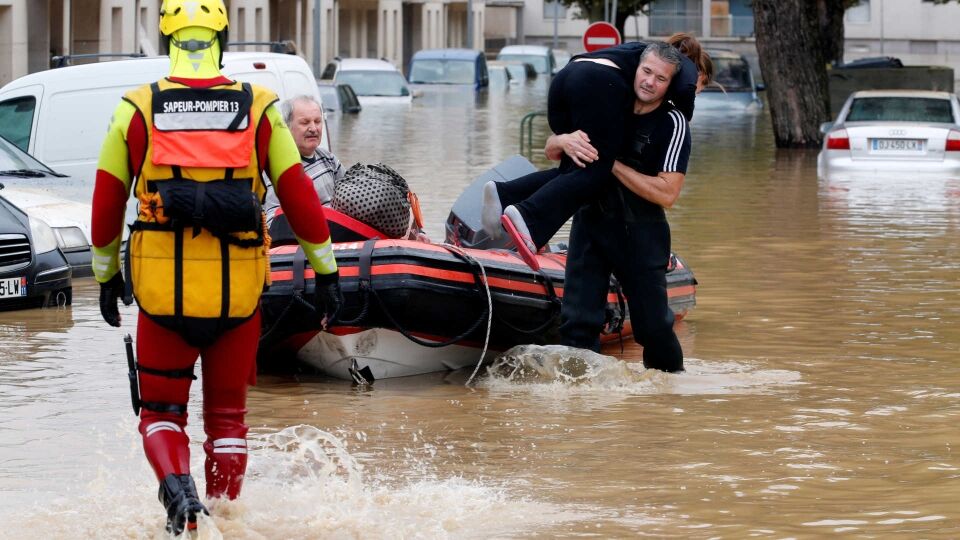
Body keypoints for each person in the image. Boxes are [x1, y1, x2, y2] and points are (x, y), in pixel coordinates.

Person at [90, 0, 341, 534]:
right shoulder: (261, 108)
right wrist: (327, 271)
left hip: (163, 296)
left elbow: (107, 199)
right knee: (228, 421)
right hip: (237, 295)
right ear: (223, 38)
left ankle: (179, 498)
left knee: (160, 414)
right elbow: (300, 199)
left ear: (166, 40)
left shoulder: (135, 109)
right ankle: (226, 520)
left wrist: (105, 273)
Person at [481, 36, 707, 271]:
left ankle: (505, 193)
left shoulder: (639, 50)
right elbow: (686, 103)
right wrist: (681, 114)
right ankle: (528, 217)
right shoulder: (682, 68)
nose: (698, 89)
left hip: (567, 76)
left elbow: (554, 153)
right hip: (597, 82)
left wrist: (562, 140)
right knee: (597, 165)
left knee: (576, 165)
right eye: (702, 84)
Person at [559, 42, 692, 373]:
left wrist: (611, 164)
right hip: (589, 223)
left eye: (660, 78)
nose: (649, 82)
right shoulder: (604, 102)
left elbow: (667, 194)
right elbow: (552, 151)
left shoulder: (673, 123)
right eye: (646, 72)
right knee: (577, 322)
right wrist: (562, 141)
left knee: (653, 328)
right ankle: (580, 407)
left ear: (669, 85)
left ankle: (667, 395)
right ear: (636, 69)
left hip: (641, 231)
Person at [264, 94, 345, 226]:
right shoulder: (279, 169)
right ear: (287, 127)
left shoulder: (329, 159)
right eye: (305, 122)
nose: (313, 128)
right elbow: (273, 222)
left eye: (317, 121)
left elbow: (350, 198)